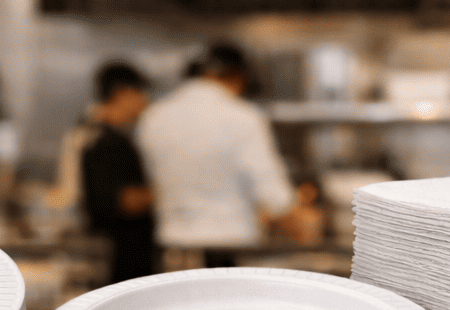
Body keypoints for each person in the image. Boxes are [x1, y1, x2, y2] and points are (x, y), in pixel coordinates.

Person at [136, 42, 322, 266]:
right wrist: (303, 230)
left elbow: (152, 180)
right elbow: (268, 187)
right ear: (237, 76)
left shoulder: (153, 117)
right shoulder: (242, 116)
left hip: (172, 250)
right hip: (229, 247)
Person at [80, 61, 155, 285]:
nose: (145, 100)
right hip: (120, 259)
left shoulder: (105, 136)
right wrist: (171, 193)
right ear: (121, 93)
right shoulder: (107, 143)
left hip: (123, 255)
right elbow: (123, 201)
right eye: (140, 92)